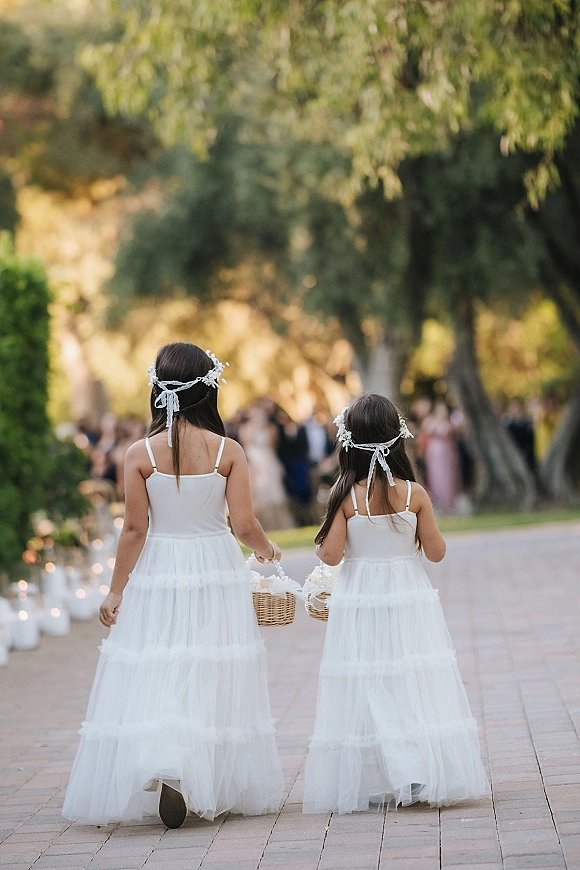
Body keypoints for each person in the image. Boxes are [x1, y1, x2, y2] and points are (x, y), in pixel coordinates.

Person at [62, 343, 285, 828]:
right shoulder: (229, 451)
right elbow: (244, 524)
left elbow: (135, 530)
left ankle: (166, 756)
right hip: (215, 566)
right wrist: (267, 550)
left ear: (157, 390)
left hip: (161, 566)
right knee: (209, 665)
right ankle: (196, 767)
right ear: (209, 389)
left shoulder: (139, 453)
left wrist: (116, 589)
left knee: (162, 659)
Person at [303, 393, 489, 814]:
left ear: (349, 441)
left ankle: (385, 773)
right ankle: (416, 765)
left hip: (361, 600)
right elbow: (437, 552)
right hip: (407, 597)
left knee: (370, 681)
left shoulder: (346, 496)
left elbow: (330, 556)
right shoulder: (415, 494)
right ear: (397, 438)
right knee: (409, 677)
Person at [422, 397, 460, 513]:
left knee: (449, 477)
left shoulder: (449, 422)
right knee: (437, 476)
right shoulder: (430, 421)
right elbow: (425, 434)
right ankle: (439, 504)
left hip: (447, 451)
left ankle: (450, 504)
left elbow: (456, 435)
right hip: (435, 452)